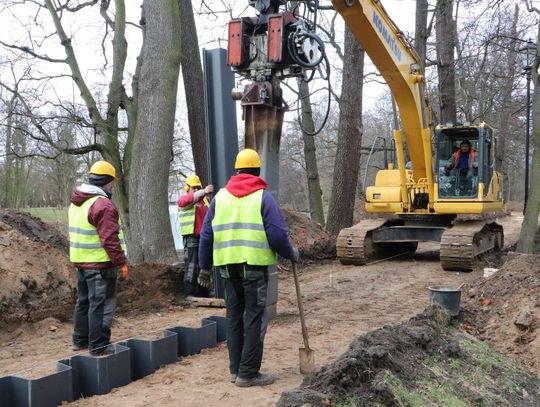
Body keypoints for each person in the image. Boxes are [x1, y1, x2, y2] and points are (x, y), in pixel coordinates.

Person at [198, 148, 299, 388]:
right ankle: (248, 373)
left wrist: (204, 267)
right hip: (253, 268)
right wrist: (291, 253)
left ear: (236, 170)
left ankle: (236, 371)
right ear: (257, 170)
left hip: (227, 270)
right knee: (254, 318)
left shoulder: (219, 198)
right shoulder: (263, 197)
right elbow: (277, 234)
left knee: (233, 318)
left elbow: (206, 235)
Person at [68, 160, 128, 356]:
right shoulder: (103, 205)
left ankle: (80, 340)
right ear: (106, 181)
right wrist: (121, 262)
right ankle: (99, 345)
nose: (112, 186)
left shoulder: (77, 202)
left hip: (81, 261)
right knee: (101, 305)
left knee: (83, 302)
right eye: (112, 182)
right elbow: (110, 239)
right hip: (100, 264)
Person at [178, 174, 213, 300]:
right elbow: (186, 201)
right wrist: (204, 191)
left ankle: (204, 292)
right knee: (191, 266)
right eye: (194, 188)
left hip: (204, 238)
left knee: (205, 265)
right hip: (191, 237)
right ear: (187, 188)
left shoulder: (206, 200)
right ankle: (189, 293)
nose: (197, 190)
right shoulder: (184, 200)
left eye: (198, 187)